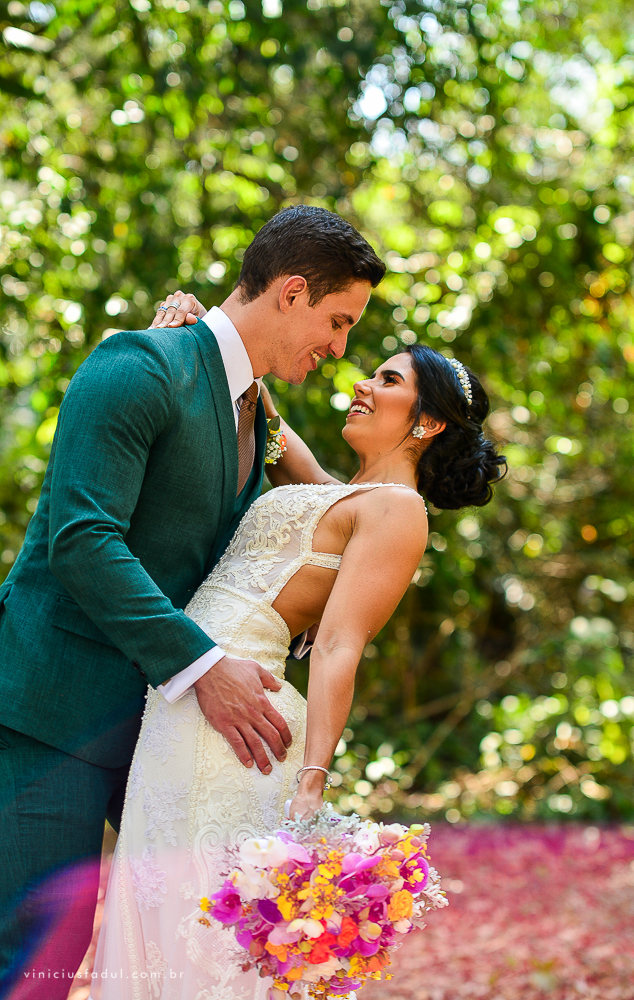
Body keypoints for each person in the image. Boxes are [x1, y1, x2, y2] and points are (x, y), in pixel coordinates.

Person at [0, 205, 385, 999]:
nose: (342, 348)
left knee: (200, 944)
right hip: (49, 714)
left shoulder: (250, 409)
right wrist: (204, 665)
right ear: (290, 293)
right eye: (338, 321)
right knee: (37, 958)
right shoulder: (138, 368)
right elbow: (83, 540)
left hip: (156, 731)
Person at [90, 340, 505, 998]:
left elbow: (339, 645)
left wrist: (313, 781)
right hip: (182, 699)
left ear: (427, 422)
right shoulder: (342, 495)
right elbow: (276, 435)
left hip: (238, 718)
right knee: (159, 905)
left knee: (206, 934)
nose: (362, 385)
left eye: (387, 379)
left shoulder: (399, 510)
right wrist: (216, 338)